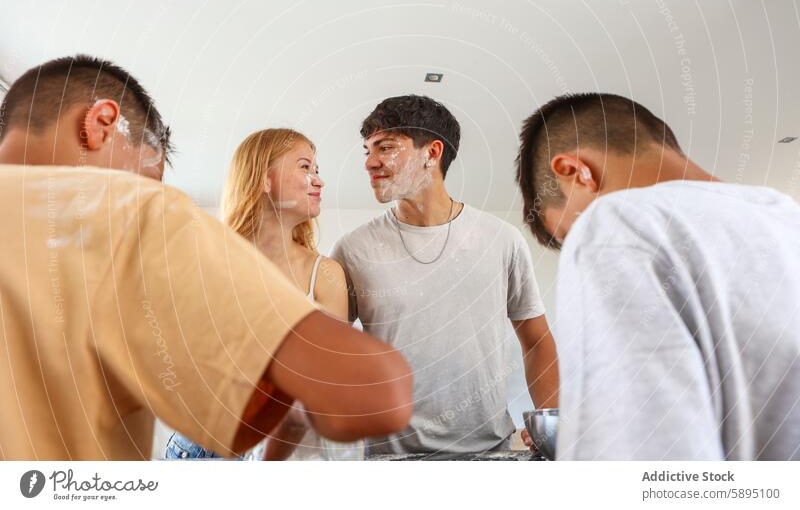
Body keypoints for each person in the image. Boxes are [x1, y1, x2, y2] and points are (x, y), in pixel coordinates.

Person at [0, 55, 412, 460]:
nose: (143, 189)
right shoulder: (129, 213)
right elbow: (373, 390)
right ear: (103, 123)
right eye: (145, 177)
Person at [515, 92, 800, 460]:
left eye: (570, 233)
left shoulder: (619, 222)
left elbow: (647, 468)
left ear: (575, 171)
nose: (577, 245)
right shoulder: (786, 218)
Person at [331, 95, 559, 456]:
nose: (370, 162)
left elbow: (536, 340)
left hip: (488, 453)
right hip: (386, 458)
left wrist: (553, 422)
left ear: (432, 153)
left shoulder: (501, 240)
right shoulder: (352, 249)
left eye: (386, 147)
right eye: (367, 150)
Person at [165, 128, 349, 460]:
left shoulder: (325, 275)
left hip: (279, 450)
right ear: (264, 180)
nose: (319, 181)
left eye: (317, 170)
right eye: (306, 167)